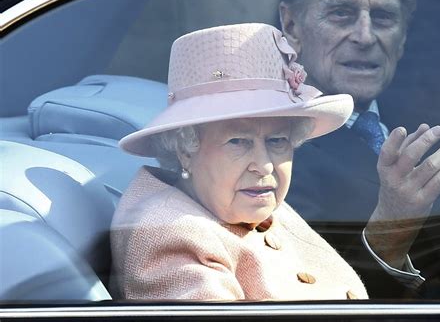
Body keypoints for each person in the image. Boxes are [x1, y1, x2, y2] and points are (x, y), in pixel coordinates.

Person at [110, 23, 368, 300]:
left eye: (277, 141)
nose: (265, 165)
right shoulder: (171, 236)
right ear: (185, 148)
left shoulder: (252, 203)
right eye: (238, 142)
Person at [279, 0, 440, 297]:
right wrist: (390, 226)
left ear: (403, 36)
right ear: (292, 25)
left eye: (384, 17)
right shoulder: (269, 149)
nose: (365, 36)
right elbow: (307, 303)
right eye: (342, 13)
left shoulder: (438, 119)